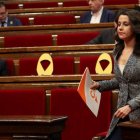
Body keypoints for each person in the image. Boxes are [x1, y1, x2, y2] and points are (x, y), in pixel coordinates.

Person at [90, 9, 140, 140]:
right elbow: (121, 80)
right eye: (119, 24)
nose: (120, 28)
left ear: (135, 27)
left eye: (125, 24)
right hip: (122, 113)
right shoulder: (117, 50)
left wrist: (131, 106)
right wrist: (99, 85)